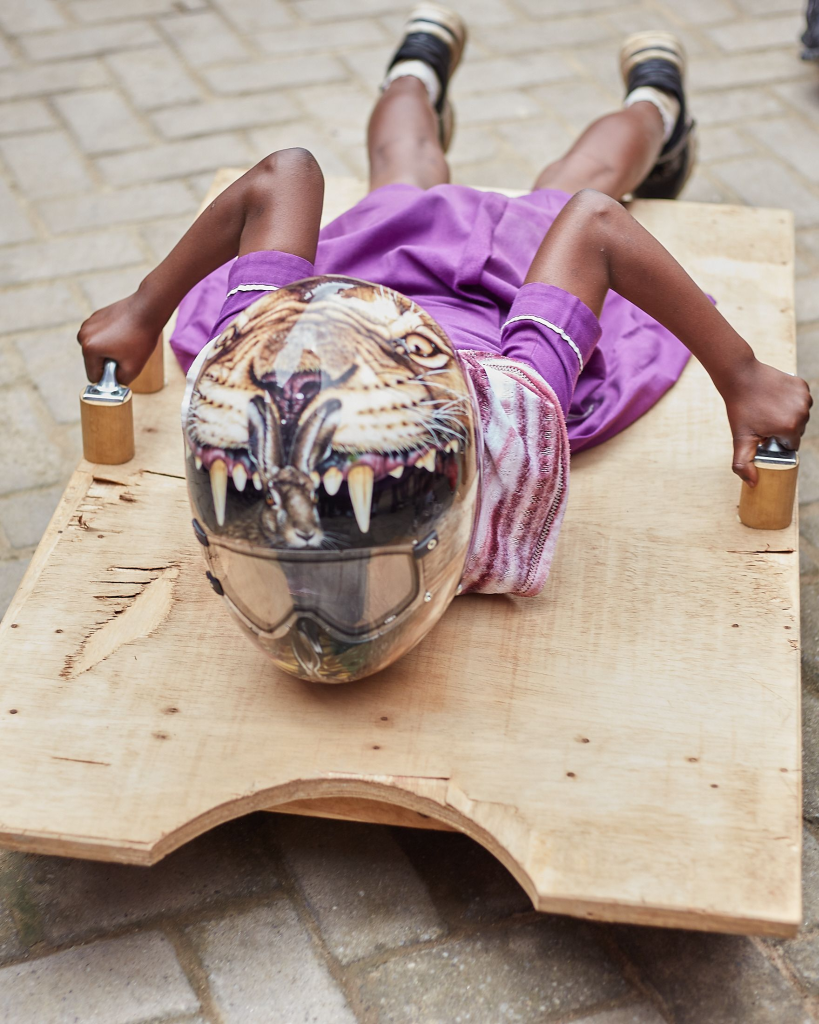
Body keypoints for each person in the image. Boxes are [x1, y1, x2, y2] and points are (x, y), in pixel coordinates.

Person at [78, 6, 812, 682]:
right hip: (415, 284)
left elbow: (590, 222)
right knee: (457, 172)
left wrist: (741, 373)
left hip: (506, 278)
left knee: (535, 177)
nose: (315, 627)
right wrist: (143, 313)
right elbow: (288, 175)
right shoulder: (262, 361)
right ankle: (432, 65)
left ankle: (646, 100)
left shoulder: (493, 416)